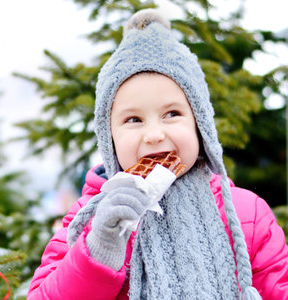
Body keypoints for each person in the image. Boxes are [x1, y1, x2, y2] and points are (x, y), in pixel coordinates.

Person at [27, 9, 288, 300]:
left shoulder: (246, 214)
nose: (153, 134)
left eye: (172, 114)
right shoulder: (91, 219)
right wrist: (99, 249)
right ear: (109, 138)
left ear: (199, 124)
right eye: (133, 120)